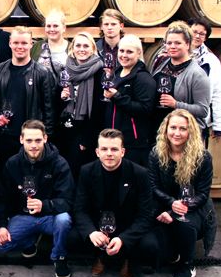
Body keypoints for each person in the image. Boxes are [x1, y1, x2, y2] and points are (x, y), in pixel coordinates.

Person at [0, 120, 74, 277]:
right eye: (29, 140)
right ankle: (29, 240)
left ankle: (59, 257)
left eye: (37, 140)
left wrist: (45, 205)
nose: (33, 145)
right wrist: (1, 225)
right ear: (21, 139)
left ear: (45, 138)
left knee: (64, 219)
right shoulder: (13, 163)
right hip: (23, 217)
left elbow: (68, 200)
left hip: (50, 216)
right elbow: (1, 197)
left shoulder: (59, 163)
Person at [69, 129, 156, 277]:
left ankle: (126, 261)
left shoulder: (140, 173)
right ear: (97, 152)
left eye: (114, 149)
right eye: (104, 149)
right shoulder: (86, 171)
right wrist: (91, 232)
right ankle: (100, 258)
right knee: (73, 237)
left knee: (150, 245)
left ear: (122, 152)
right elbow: (79, 209)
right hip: (98, 224)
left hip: (127, 224)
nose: (109, 153)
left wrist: (123, 239)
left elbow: (145, 215)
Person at [149, 109, 216, 277]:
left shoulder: (203, 157)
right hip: (165, 202)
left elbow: (203, 193)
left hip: (193, 206)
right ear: (166, 129)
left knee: (183, 221)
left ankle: (187, 264)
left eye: (183, 129)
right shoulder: (156, 154)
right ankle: (172, 251)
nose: (177, 133)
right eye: (173, 127)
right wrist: (171, 204)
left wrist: (175, 211)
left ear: (190, 132)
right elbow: (153, 186)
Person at [0, 26, 55, 168]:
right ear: (10, 43)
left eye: (24, 43)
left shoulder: (42, 73)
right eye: (16, 43)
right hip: (5, 136)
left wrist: (46, 139)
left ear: (31, 44)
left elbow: (49, 109)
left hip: (31, 139)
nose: (19, 46)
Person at [102, 35, 157, 167]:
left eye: (129, 52)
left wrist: (117, 97)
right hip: (114, 140)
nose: (124, 55)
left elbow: (145, 109)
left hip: (134, 144)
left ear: (139, 53)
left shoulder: (143, 79)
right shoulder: (117, 72)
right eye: (121, 51)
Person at [151, 21, 211, 141]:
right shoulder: (161, 65)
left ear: (188, 44)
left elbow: (203, 110)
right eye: (169, 43)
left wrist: (176, 104)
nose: (172, 46)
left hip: (184, 137)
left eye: (178, 43)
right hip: (160, 132)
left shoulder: (197, 74)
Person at [59, 32, 105, 177]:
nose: (82, 49)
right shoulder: (66, 70)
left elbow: (100, 110)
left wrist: (87, 139)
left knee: (80, 172)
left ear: (93, 49)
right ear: (72, 48)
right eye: (78, 45)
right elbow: (56, 103)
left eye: (86, 46)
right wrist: (61, 97)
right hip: (66, 129)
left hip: (85, 130)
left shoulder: (99, 72)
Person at [189, 18, 221, 141]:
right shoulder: (174, 54)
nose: (197, 36)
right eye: (194, 32)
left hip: (200, 120)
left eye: (202, 34)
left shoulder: (211, 61)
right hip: (175, 118)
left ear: (205, 38)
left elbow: (218, 93)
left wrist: (218, 125)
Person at [32, 9, 70, 80]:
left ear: (64, 28)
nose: (51, 29)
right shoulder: (36, 47)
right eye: (48, 26)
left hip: (64, 90)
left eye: (55, 26)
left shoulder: (72, 48)